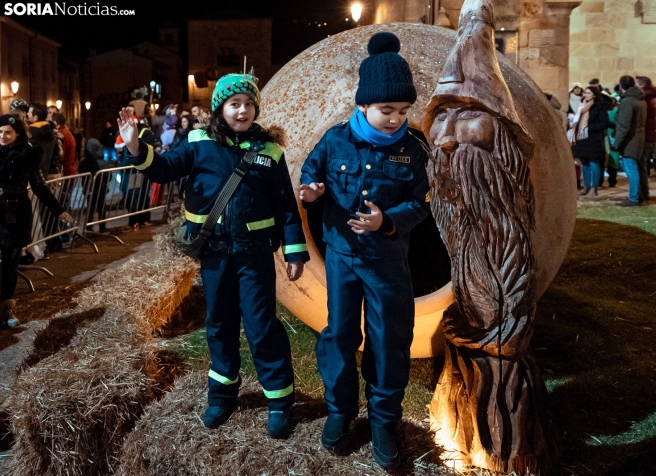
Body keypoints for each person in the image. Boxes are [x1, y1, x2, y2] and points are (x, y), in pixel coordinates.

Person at [117, 72, 310, 439]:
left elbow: (286, 206)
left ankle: (280, 403)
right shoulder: (199, 143)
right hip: (215, 255)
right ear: (219, 108)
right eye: (234, 103)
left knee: (261, 327)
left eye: (249, 104)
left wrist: (295, 251)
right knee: (219, 325)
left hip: (254, 257)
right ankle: (222, 396)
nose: (242, 110)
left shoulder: (270, 152)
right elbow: (164, 169)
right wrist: (135, 148)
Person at [300, 32, 430, 469]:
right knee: (339, 335)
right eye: (386, 110)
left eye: (402, 111)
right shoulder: (336, 141)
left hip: (387, 261)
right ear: (363, 107)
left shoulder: (413, 151)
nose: (395, 119)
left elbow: (420, 202)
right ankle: (340, 412)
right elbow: (312, 170)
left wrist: (387, 221)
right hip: (340, 256)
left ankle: (383, 421)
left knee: (389, 339)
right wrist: (312, 192)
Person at [0, 114, 72, 327]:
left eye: (8, 133)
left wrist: (58, 209)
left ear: (18, 134)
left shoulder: (29, 155)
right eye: (0, 132)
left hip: (16, 213)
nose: (3, 136)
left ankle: (5, 312)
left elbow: (39, 186)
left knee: (11, 263)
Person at [570, 86, 610, 198]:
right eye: (585, 93)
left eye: (588, 93)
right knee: (585, 164)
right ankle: (586, 186)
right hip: (582, 139)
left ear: (595, 95)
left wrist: (589, 128)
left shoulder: (599, 108)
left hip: (594, 138)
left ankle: (594, 188)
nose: (586, 95)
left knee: (594, 163)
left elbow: (604, 123)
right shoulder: (581, 107)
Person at [613, 75, 646, 207]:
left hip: (631, 140)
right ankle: (638, 195)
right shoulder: (640, 99)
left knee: (631, 169)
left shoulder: (628, 101)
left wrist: (617, 143)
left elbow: (624, 125)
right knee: (635, 168)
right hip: (638, 137)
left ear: (621, 86)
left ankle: (633, 198)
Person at [79, 138, 109, 232]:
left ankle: (89, 227)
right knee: (101, 207)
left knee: (90, 208)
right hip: (101, 187)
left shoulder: (83, 163)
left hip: (89, 189)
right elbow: (108, 175)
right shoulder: (101, 162)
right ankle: (102, 227)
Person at [27, 103, 63, 179]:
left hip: (33, 178)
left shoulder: (32, 134)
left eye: (29, 113)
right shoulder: (50, 131)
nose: (27, 114)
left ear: (35, 118)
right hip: (45, 174)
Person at [635, 76, 656, 188]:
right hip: (649, 134)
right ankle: (643, 192)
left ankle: (642, 193)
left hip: (645, 135)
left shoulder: (645, 98)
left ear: (641, 85)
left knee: (641, 164)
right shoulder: (649, 96)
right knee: (642, 164)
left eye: (635, 84)